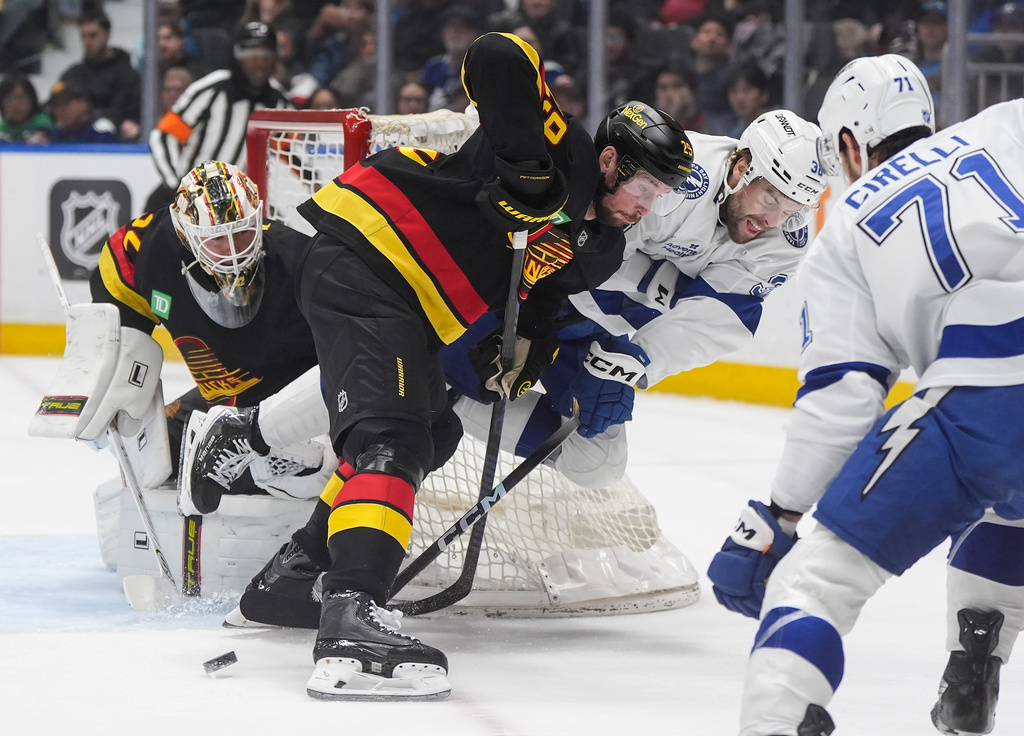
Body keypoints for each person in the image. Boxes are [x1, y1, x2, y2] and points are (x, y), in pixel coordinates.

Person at [204, 33, 695, 701]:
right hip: (367, 254)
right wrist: (529, 170)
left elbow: (542, 300)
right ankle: (353, 614)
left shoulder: (601, 246)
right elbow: (496, 55)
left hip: (406, 298)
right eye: (643, 183)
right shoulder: (563, 150)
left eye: (661, 195)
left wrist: (523, 359)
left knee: (435, 433)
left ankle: (290, 581)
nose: (647, 204)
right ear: (610, 159)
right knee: (395, 434)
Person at [707, 53, 1024, 735]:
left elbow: (842, 400)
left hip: (987, 390)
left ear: (848, 144)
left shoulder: (848, 221)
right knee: (1012, 506)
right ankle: (976, 662)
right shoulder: (1008, 123)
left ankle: (778, 720)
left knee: (813, 585)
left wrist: (780, 516)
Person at [445, 107, 825, 490]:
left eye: (794, 210)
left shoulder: (787, 239)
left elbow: (722, 318)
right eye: (771, 199)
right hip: (546, 297)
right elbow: (595, 247)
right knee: (442, 363)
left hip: (601, 334)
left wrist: (633, 360)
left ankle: (458, 403)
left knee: (596, 464)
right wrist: (656, 280)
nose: (773, 222)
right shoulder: (676, 173)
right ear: (743, 167)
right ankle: (441, 391)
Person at [91, 160, 332, 508]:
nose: (234, 251)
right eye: (218, 239)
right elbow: (113, 275)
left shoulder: (299, 262)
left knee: (310, 470)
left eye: (243, 232)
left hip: (288, 413)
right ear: (185, 234)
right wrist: (113, 367)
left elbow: (352, 359)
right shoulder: (148, 246)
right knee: (149, 454)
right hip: (224, 403)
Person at [148, 21, 293, 212]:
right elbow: (165, 136)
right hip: (189, 200)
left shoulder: (280, 103)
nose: (259, 61)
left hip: (239, 210)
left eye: (265, 54)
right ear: (237, 56)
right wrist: (178, 186)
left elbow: (294, 156)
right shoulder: (212, 89)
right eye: (251, 54)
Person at [57, 10, 141, 142]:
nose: (87, 41)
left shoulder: (126, 74)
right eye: (83, 36)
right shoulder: (73, 74)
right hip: (73, 137)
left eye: (93, 35)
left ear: (107, 35)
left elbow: (122, 111)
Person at [46, 81, 119, 144]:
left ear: (83, 103)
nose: (61, 110)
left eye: (67, 103)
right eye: (56, 105)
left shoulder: (100, 130)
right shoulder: (55, 134)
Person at [0, 72, 51, 143]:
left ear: (32, 99)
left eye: (20, 98)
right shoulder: (3, 129)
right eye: (9, 99)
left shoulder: (42, 124)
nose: (15, 104)